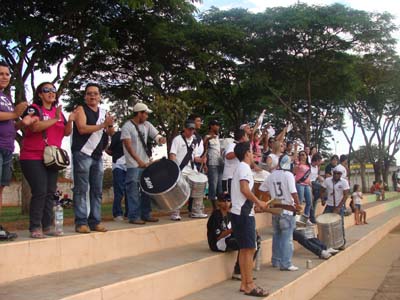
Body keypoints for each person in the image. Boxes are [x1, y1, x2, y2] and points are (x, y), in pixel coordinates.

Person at [20, 82, 73, 238]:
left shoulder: (59, 113)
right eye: (46, 90)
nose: (51, 92)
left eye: (53, 90)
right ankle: (35, 227)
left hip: (52, 158)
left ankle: (47, 225)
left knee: (50, 192)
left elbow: (66, 132)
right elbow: (34, 127)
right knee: (40, 191)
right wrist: (55, 118)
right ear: (40, 94)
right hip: (33, 156)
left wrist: (69, 120)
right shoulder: (34, 109)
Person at [72, 83, 114, 233]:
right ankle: (81, 222)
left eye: (95, 93)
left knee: (97, 190)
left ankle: (95, 221)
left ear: (100, 96)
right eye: (89, 93)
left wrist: (110, 125)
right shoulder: (81, 109)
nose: (92, 96)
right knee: (81, 189)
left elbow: (110, 132)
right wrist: (103, 124)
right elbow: (82, 128)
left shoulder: (104, 112)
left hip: (97, 155)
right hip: (83, 153)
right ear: (85, 96)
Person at [230, 141, 268, 297]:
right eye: (252, 152)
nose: (253, 155)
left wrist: (254, 205)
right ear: (246, 153)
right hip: (243, 214)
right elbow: (244, 189)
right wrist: (258, 201)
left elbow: (243, 193)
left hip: (241, 212)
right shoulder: (244, 168)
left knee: (245, 249)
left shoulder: (241, 168)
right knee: (249, 249)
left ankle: (244, 283)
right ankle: (249, 285)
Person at [0, 61, 31, 241]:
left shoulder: (6, 97)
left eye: (7, 74)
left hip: (7, 147)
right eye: (1, 73)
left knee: (1, 187)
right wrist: (14, 114)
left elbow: (10, 123)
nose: (4, 77)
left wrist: (21, 123)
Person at [122, 102, 166, 225]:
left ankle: (146, 214)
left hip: (145, 163)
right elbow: (128, 147)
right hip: (133, 165)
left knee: (147, 189)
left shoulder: (147, 125)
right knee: (133, 192)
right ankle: (134, 216)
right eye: (145, 113)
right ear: (139, 113)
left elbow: (156, 135)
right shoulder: (127, 127)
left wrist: (160, 139)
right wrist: (139, 161)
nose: (147, 116)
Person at [259, 154, 301, 271]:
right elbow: (293, 192)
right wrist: (298, 204)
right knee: (287, 238)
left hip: (276, 209)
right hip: (287, 210)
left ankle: (276, 260)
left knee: (277, 235)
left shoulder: (271, 175)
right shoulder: (288, 175)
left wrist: (272, 197)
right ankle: (286, 263)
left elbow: (262, 189)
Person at [207, 193, 261, 281]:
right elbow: (218, 237)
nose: (226, 203)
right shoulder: (216, 216)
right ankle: (238, 272)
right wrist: (234, 229)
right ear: (218, 203)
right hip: (218, 243)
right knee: (244, 243)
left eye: (228, 200)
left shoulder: (231, 214)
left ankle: (246, 271)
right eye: (223, 201)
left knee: (254, 240)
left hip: (228, 239)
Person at [169, 119, 207, 220]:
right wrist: (174, 169)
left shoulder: (194, 141)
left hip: (191, 169)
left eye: (193, 129)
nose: (191, 131)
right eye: (189, 129)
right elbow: (172, 154)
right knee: (179, 192)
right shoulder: (177, 139)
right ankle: (175, 212)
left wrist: (202, 159)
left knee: (200, 186)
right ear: (184, 129)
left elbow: (195, 157)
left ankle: (196, 211)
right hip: (180, 169)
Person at [320, 166, 350, 249]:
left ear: (341, 174)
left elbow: (346, 195)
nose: (336, 175)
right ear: (333, 173)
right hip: (329, 205)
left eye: (339, 173)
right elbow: (322, 190)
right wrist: (322, 199)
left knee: (339, 224)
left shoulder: (344, 182)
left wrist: (339, 207)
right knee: (324, 223)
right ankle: (324, 242)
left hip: (339, 205)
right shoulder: (327, 181)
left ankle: (342, 242)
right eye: (335, 173)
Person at [106, 130, 128, 221]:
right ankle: (117, 213)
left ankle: (129, 212)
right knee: (119, 189)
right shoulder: (118, 135)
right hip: (118, 165)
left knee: (129, 190)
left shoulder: (137, 136)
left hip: (130, 166)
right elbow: (110, 150)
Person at [205, 119, 223, 210]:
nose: (218, 127)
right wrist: (208, 139)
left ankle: (220, 205)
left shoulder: (218, 137)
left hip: (219, 164)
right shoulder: (207, 136)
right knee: (213, 185)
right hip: (212, 164)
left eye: (218, 125)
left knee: (220, 186)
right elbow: (204, 150)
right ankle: (214, 207)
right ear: (211, 126)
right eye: (216, 125)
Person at [222, 129, 248, 195]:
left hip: (235, 177)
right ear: (243, 137)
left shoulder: (240, 146)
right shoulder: (232, 145)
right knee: (228, 200)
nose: (247, 137)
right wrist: (239, 151)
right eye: (246, 135)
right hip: (229, 177)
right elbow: (228, 156)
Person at [293, 150, 313, 225]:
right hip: (300, 184)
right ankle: (298, 218)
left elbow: (308, 175)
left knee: (309, 202)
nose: (302, 156)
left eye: (303, 154)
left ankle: (306, 218)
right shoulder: (298, 164)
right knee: (300, 202)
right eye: (301, 155)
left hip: (307, 185)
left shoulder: (308, 165)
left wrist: (310, 182)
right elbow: (294, 171)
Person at [309, 153, 324, 224]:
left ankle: (312, 217)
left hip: (315, 182)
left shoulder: (316, 167)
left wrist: (320, 177)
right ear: (316, 160)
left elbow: (316, 175)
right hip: (310, 183)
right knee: (323, 187)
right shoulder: (309, 166)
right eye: (319, 161)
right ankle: (323, 198)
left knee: (314, 202)